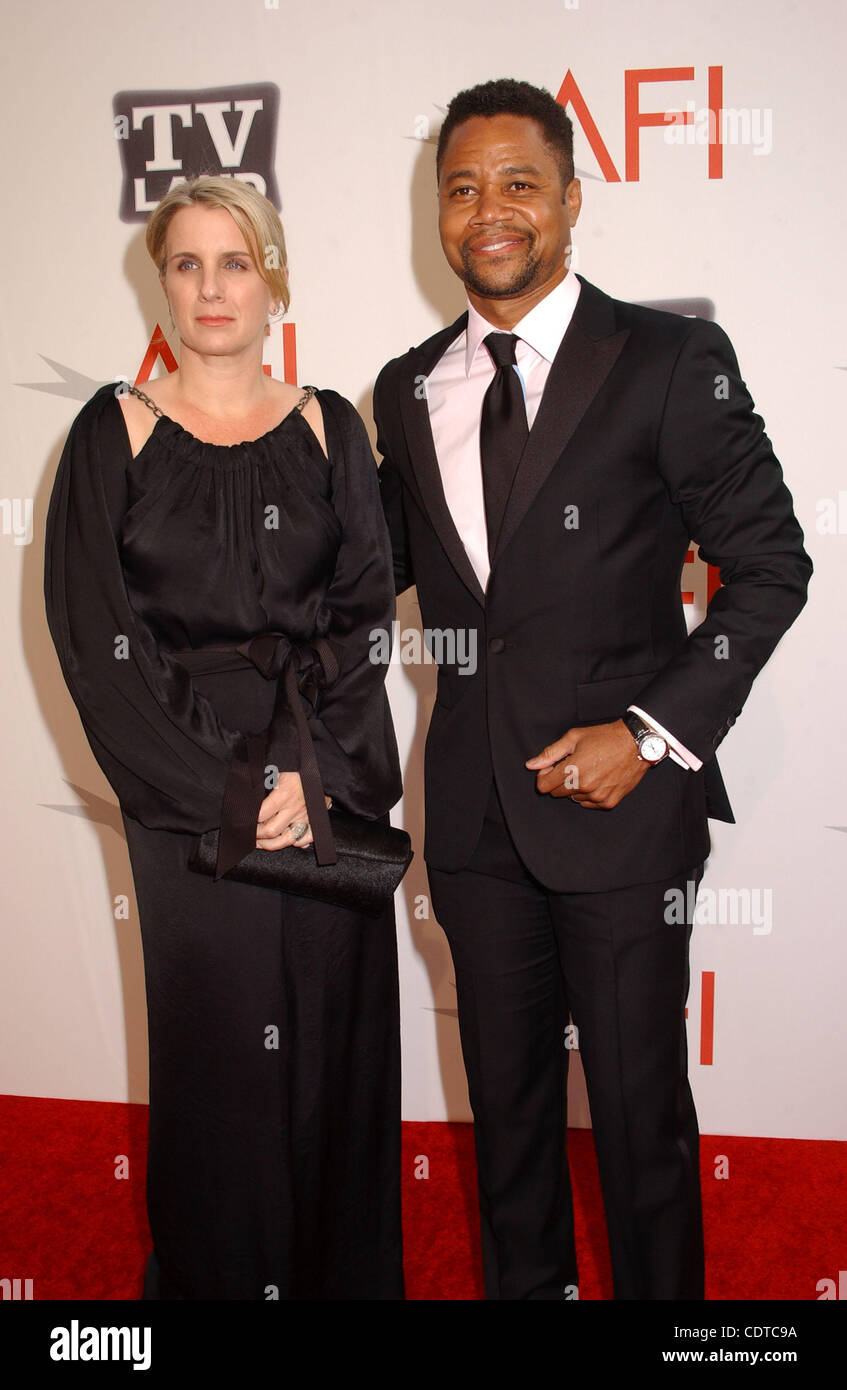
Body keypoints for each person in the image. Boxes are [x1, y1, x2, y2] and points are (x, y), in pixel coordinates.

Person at [374, 78, 811, 1301]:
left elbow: (772, 564)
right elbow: (372, 580)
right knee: (507, 1138)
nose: (488, 211)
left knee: (638, 1129)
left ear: (571, 199)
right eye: (460, 188)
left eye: (518, 182)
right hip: (471, 826)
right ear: (439, 216)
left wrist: (651, 730)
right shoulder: (405, 391)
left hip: (622, 819)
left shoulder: (670, 358)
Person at [44, 176, 404, 1300]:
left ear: (273, 278)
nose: (212, 287)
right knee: (221, 1073)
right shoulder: (115, 431)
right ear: (162, 284)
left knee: (334, 1061)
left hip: (323, 774)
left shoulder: (329, 424)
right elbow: (100, 638)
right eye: (188, 264)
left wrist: (317, 774)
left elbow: (360, 613)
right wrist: (231, 789)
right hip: (191, 801)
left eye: (235, 262)